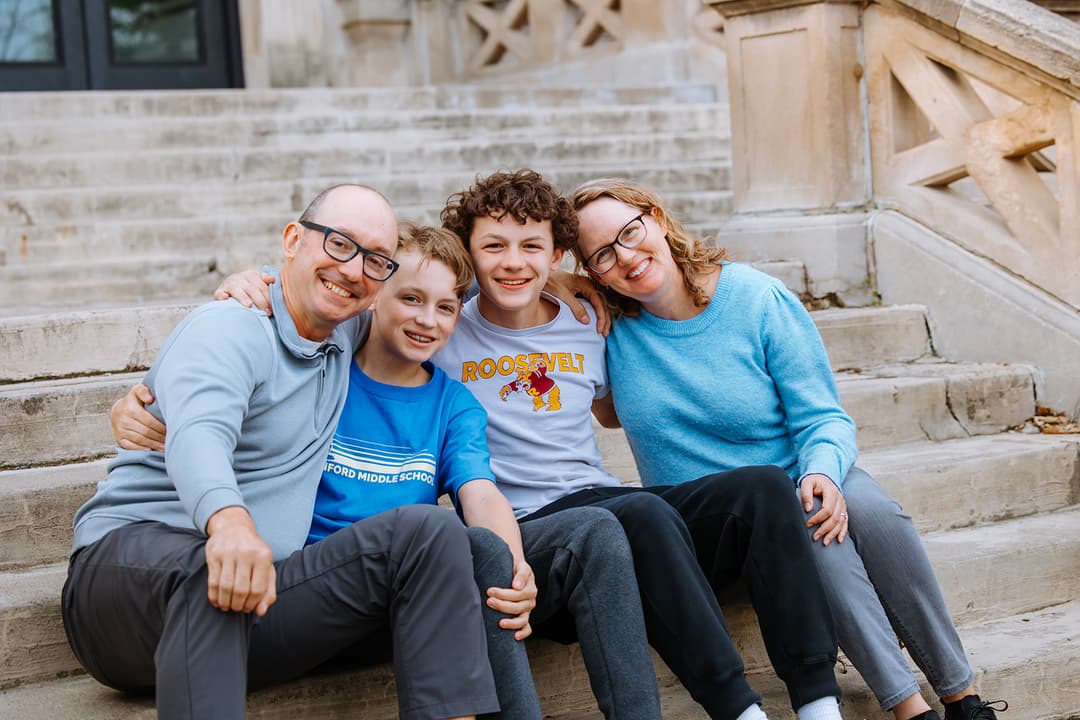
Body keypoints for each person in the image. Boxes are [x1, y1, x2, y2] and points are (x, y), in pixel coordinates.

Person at [180, 169, 848, 720]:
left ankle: (817, 704)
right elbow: (340, 298)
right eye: (493, 247)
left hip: (602, 501)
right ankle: (738, 708)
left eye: (532, 247)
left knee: (758, 488)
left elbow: (641, 382)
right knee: (634, 518)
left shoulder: (591, 318)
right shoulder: (441, 325)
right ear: (468, 255)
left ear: (558, 256)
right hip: (532, 525)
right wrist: (257, 283)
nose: (513, 263)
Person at [111, 222, 663, 719]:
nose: (427, 319)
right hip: (313, 589)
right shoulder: (328, 364)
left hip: (411, 595)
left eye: (446, 307)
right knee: (450, 539)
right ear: (374, 296)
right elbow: (290, 308)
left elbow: (480, 491)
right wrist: (250, 283)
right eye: (411, 299)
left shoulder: (453, 402)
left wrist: (518, 570)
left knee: (569, 533)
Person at [569, 177, 1009, 720]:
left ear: (656, 217)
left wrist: (819, 470)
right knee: (817, 528)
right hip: (718, 518)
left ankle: (962, 697)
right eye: (603, 255)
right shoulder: (604, 330)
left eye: (630, 233)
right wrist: (560, 281)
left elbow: (823, 417)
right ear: (590, 269)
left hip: (798, 469)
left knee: (873, 512)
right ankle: (908, 707)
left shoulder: (755, 298)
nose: (627, 257)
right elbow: (493, 285)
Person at [66, 184, 501, 720]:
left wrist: (575, 284)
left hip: (258, 597)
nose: (353, 269)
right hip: (125, 588)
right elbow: (200, 434)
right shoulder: (231, 325)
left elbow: (453, 292)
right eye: (339, 244)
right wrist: (228, 523)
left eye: (375, 260)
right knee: (218, 569)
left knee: (432, 531)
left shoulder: (348, 330)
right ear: (293, 240)